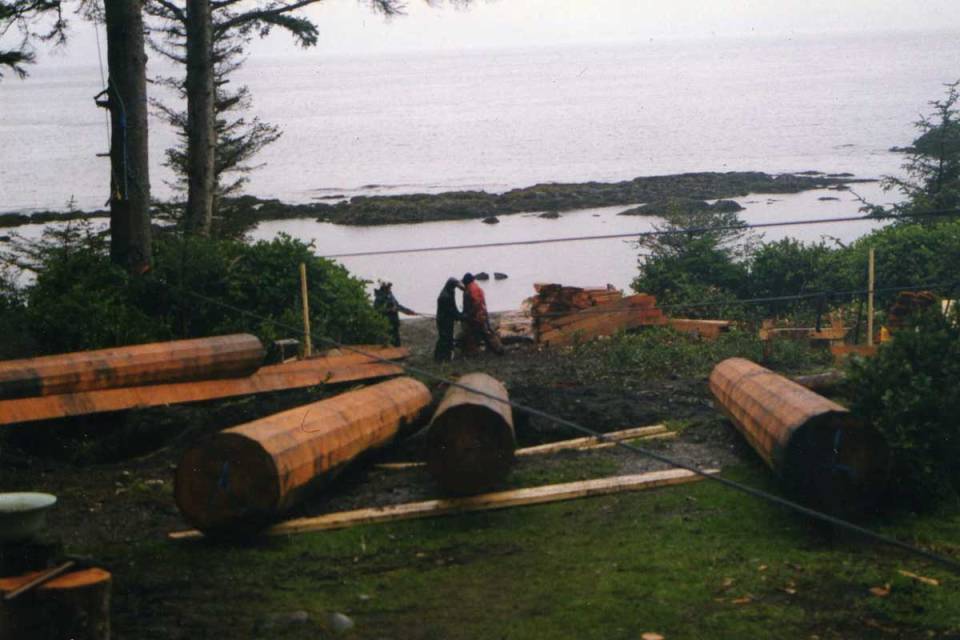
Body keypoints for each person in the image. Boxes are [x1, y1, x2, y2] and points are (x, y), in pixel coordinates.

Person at [461, 272, 504, 356]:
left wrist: (471, 314)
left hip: (477, 315)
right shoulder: (476, 287)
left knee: (481, 333)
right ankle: (496, 348)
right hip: (481, 313)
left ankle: (498, 349)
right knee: (485, 332)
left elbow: (476, 303)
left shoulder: (471, 290)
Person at [373, 281, 415, 347]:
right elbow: (377, 310)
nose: (390, 288)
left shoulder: (390, 295)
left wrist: (409, 311)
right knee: (388, 344)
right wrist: (390, 310)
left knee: (397, 343)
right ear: (384, 287)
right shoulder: (379, 298)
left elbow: (397, 306)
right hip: (386, 325)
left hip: (394, 323)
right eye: (389, 286)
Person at [434, 277, 464, 362]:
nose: (456, 287)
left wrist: (458, 314)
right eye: (455, 285)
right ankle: (439, 357)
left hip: (448, 319)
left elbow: (453, 306)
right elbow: (451, 310)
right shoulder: (445, 296)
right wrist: (459, 316)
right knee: (444, 338)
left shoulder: (450, 291)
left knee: (448, 337)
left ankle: (446, 356)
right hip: (443, 320)